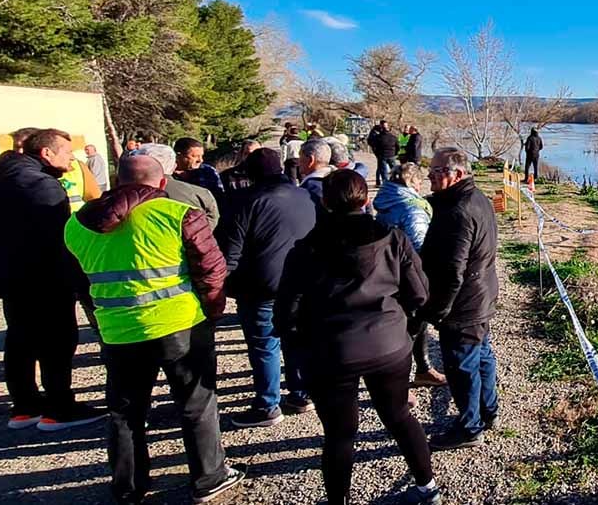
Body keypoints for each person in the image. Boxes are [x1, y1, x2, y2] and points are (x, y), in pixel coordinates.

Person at [64, 156, 245, 504]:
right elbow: (211, 270)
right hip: (181, 324)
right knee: (197, 403)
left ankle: (128, 487)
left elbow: (78, 280)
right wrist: (213, 311)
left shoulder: (76, 225)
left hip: (118, 330)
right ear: (162, 184)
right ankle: (209, 477)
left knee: (125, 410)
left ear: (117, 182)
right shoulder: (179, 214)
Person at [275, 170, 440, 505]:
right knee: (399, 416)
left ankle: (339, 500)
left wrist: (299, 340)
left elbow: (285, 312)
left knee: (339, 433)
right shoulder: (393, 239)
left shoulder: (305, 250)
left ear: (324, 202)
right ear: (366, 200)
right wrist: (402, 323)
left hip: (330, 351)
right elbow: (420, 294)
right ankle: (428, 487)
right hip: (388, 344)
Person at [0, 129, 106, 431]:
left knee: (20, 338)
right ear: (46, 153)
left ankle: (24, 406)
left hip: (9, 274)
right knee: (57, 341)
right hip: (46, 277)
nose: (72, 158)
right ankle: (59, 408)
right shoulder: (41, 186)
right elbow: (59, 240)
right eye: (66, 152)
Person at [216, 149, 317, 426]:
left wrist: (217, 287)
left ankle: (267, 405)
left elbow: (230, 254)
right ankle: (300, 393)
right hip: (300, 282)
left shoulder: (245, 202)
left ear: (250, 174)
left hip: (260, 285)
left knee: (264, 345)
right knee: (295, 338)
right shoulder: (304, 195)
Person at [419, 148, 500, 450]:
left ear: (458, 174)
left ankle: (469, 427)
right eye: (430, 169)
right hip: (481, 295)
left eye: (437, 170)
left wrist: (438, 310)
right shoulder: (476, 198)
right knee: (481, 356)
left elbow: (453, 271)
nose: (430, 175)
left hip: (464, 304)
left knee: (463, 366)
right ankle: (488, 412)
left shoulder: (458, 211)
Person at [373, 163, 446, 388]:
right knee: (411, 326)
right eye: (419, 181)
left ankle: (422, 368)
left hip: (386, 269)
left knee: (410, 324)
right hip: (408, 274)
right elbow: (419, 244)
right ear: (412, 182)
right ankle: (398, 381)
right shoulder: (412, 207)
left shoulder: (386, 200)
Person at [134, 144, 220, 230]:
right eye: (194, 156)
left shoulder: (125, 192)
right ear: (175, 164)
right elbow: (211, 219)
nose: (200, 160)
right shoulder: (200, 194)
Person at [371, 122, 399, 188]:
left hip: (382, 156)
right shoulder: (393, 137)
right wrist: (395, 153)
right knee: (394, 169)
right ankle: (396, 181)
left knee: (384, 171)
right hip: (391, 155)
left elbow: (374, 146)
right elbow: (398, 146)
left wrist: (377, 154)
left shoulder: (378, 137)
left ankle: (386, 184)